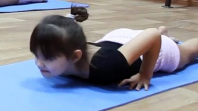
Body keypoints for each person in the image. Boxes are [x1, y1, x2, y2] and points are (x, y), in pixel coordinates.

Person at [29, 6, 198, 90]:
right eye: (36, 56)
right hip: (117, 39)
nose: (39, 64)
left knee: (188, 53)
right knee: (152, 37)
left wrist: (145, 74)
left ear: (75, 57)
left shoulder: (106, 66)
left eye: (47, 58)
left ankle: (165, 38)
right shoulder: (67, 53)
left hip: (151, 47)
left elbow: (151, 35)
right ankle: (164, 34)